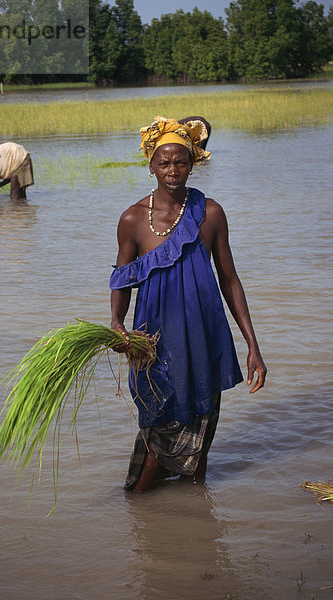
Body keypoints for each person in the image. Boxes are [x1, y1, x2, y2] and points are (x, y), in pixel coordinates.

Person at [110, 116, 266, 493]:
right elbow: (121, 279)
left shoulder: (210, 213)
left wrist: (253, 346)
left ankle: (197, 511)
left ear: (192, 164)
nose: (172, 170)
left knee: (201, 423)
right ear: (151, 166)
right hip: (154, 342)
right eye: (164, 162)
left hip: (204, 337)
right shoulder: (132, 219)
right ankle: (139, 505)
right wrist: (117, 322)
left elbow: (230, 279)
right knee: (158, 424)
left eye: (180, 161)